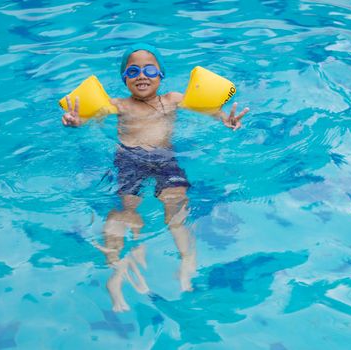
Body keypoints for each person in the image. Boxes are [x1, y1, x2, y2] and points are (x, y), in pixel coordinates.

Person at [61, 43, 249, 312]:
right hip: (129, 161)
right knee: (128, 210)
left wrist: (225, 119)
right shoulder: (119, 105)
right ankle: (117, 266)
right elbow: (86, 118)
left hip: (164, 160)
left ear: (161, 75)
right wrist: (74, 121)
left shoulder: (172, 99)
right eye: (133, 70)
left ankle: (186, 260)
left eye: (150, 70)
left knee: (176, 203)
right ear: (124, 78)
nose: (142, 75)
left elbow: (208, 109)